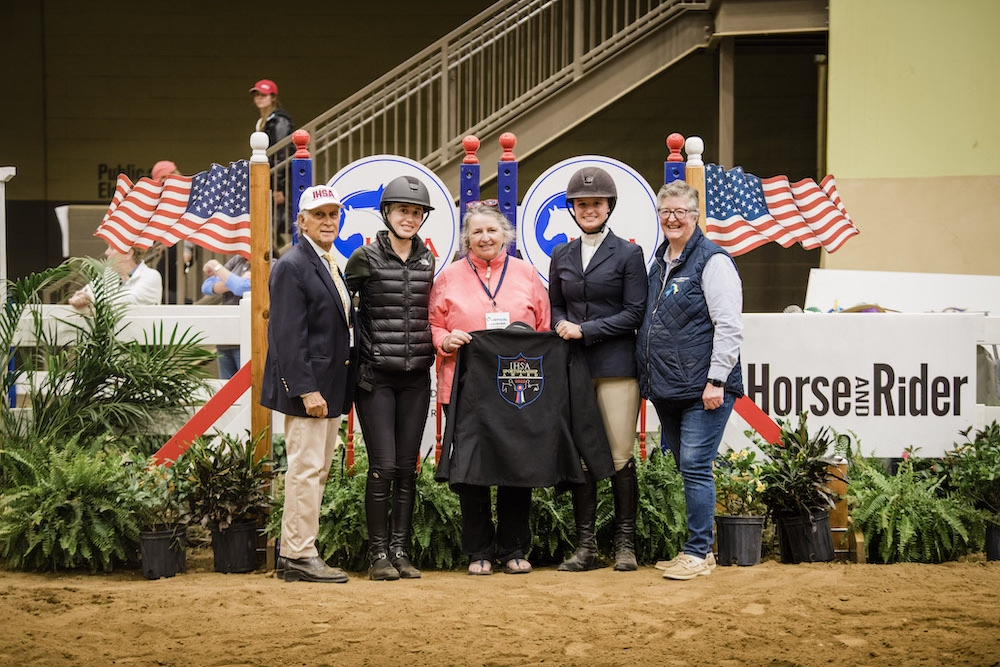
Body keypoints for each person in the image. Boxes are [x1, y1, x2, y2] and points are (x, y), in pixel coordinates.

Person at [429, 203, 552, 576]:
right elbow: (433, 325)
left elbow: (543, 328)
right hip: (465, 389)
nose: (485, 238)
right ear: (467, 238)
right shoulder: (448, 277)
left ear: (505, 236)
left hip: (518, 390)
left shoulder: (528, 274)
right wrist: (446, 339)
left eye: (492, 231)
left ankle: (514, 548)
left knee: (517, 468)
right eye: (477, 232)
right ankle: (478, 550)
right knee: (472, 471)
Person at [636, 180, 744, 580]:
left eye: (681, 211)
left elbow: (729, 325)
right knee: (686, 466)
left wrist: (717, 379)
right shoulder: (659, 260)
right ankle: (702, 552)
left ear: (696, 216)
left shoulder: (713, 261)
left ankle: (697, 553)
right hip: (668, 387)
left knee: (696, 465)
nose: (673, 218)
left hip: (705, 388)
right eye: (666, 212)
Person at [548, 166, 647, 572]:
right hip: (574, 368)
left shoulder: (628, 253)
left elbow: (634, 313)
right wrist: (558, 324)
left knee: (620, 454)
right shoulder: (561, 254)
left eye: (596, 203)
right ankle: (586, 546)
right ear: (573, 208)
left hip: (615, 366)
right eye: (582, 204)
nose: (589, 209)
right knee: (582, 456)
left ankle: (625, 544)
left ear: (609, 207)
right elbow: (555, 303)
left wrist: (583, 329)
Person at [261, 185, 355, 584]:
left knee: (315, 470)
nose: (328, 221)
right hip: (310, 389)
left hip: (329, 385)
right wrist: (306, 389)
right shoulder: (293, 265)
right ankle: (298, 554)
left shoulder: (329, 262)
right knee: (305, 469)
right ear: (301, 221)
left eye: (333, 214)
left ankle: (298, 551)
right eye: (319, 215)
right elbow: (286, 335)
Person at [344, 176, 436, 581]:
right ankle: (377, 553)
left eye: (416, 213)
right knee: (381, 465)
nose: (410, 218)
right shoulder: (364, 257)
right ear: (387, 214)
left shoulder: (429, 260)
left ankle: (400, 550)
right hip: (376, 378)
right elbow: (342, 311)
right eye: (403, 211)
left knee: (405, 467)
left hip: (416, 376)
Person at [250, 79, 295, 242]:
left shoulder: (279, 120)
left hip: (280, 180)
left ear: (273, 97)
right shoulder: (263, 121)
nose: (259, 98)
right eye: (256, 95)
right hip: (269, 177)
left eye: (263, 95)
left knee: (279, 224)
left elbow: (281, 153)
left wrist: (278, 186)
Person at [68, 245, 163, 310]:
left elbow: (128, 301)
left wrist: (90, 299)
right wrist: (79, 297)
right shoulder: (108, 275)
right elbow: (87, 293)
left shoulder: (151, 276)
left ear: (128, 253)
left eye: (112, 248)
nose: (106, 252)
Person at [202, 255, 251, 379]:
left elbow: (242, 288)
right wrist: (236, 280)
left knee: (247, 388)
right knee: (226, 390)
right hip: (225, 338)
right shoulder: (237, 260)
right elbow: (206, 286)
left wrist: (216, 266)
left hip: (247, 337)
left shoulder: (270, 262)